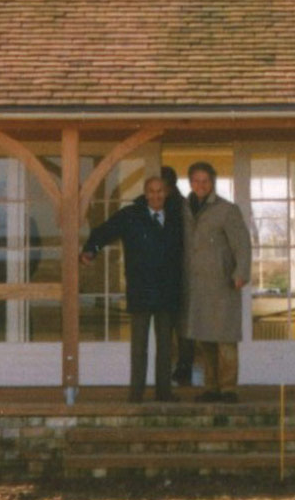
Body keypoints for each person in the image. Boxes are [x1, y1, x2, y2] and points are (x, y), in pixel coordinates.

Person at [81, 175, 184, 403]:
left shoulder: (177, 217)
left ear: (166, 193)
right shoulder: (131, 215)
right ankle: (136, 395)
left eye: (160, 191)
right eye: (151, 191)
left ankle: (164, 393)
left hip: (168, 291)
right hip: (141, 290)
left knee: (166, 347)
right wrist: (91, 249)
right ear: (145, 194)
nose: (156, 195)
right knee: (139, 347)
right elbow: (104, 231)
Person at [181, 161, 251, 403]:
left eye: (205, 181)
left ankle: (228, 388)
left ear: (212, 183)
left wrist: (241, 272)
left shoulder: (227, 210)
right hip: (197, 286)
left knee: (225, 339)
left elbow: (242, 244)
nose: (200, 185)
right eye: (196, 181)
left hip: (223, 285)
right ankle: (211, 388)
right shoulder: (184, 210)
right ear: (190, 183)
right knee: (205, 339)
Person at [159, 165, 196, 387]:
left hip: (178, 273)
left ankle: (181, 368)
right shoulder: (183, 205)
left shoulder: (179, 208)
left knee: (177, 325)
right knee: (180, 326)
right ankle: (182, 367)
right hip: (177, 273)